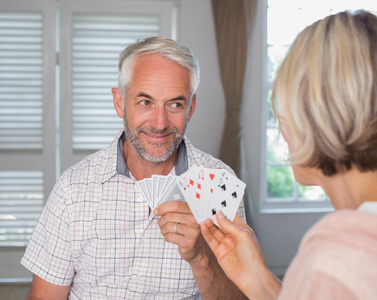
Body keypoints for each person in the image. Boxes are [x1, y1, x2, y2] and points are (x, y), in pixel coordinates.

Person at [201, 10, 377, 299]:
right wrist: (260, 281)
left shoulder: (331, 263)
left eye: (283, 111)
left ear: (314, 120)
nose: (282, 129)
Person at [21, 37, 246, 299]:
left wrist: (202, 259)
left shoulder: (219, 184)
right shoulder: (72, 189)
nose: (160, 123)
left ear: (191, 108)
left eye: (175, 104)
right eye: (145, 102)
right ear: (120, 103)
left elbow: (240, 295)